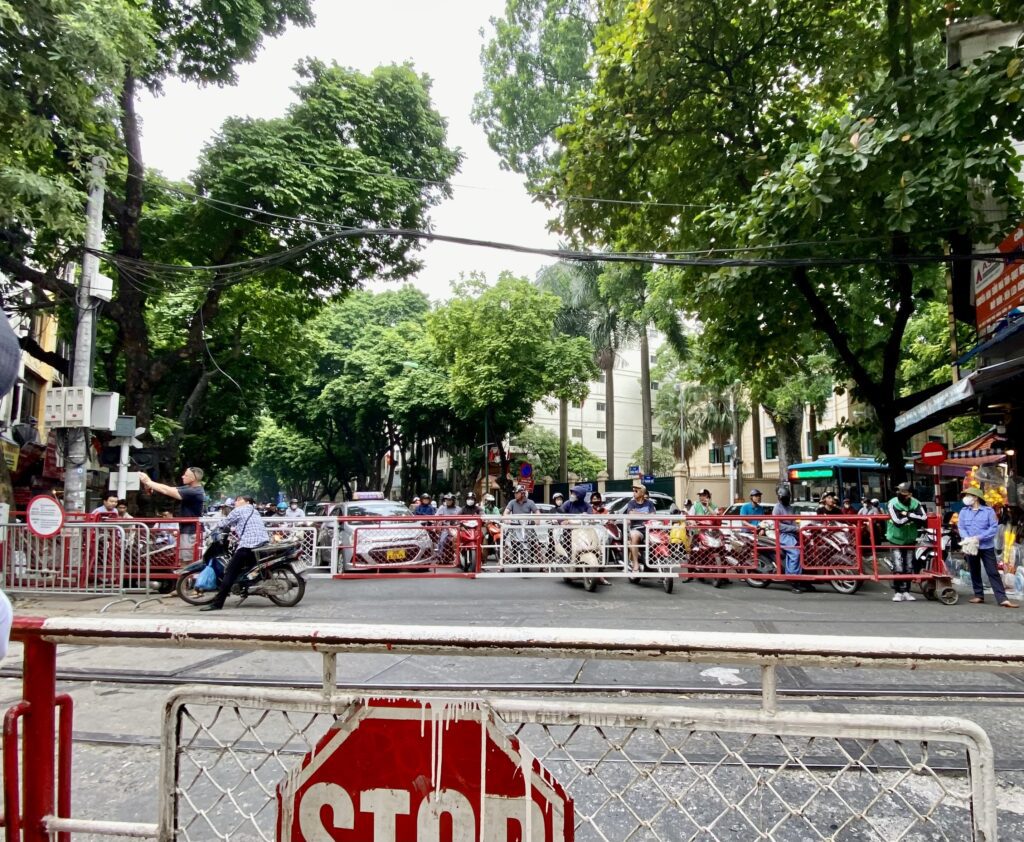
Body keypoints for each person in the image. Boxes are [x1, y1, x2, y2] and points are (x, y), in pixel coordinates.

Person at [199, 494, 270, 611]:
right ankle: (243, 587)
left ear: (247, 502)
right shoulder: (255, 511)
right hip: (262, 543)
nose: (236, 502)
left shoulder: (239, 510)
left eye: (238, 500)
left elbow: (224, 523)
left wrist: (212, 531)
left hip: (248, 545)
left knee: (229, 572)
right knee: (246, 568)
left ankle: (217, 603)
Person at [959, 483, 1018, 609]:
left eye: (969, 495)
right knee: (974, 570)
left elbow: (993, 528)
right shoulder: (964, 512)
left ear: (975, 497)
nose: (966, 498)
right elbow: (961, 527)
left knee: (993, 572)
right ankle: (978, 595)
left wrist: (978, 538)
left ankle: (1002, 599)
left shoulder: (988, 511)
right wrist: (968, 539)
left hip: (986, 546)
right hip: (970, 546)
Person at [138, 466, 205, 555]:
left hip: (191, 531)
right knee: (182, 559)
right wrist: (150, 484)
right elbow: (169, 489)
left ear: (193, 478)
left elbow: (166, 490)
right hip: (186, 529)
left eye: (185, 475)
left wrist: (148, 481)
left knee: (187, 561)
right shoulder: (189, 488)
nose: (182, 476)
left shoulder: (195, 491)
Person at [885, 481, 928, 602]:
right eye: (899, 491)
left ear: (910, 494)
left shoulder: (916, 503)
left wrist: (907, 514)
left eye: (904, 492)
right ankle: (898, 592)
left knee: (909, 566)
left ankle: (907, 591)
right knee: (898, 566)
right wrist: (912, 516)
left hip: (910, 539)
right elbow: (897, 521)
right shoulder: (892, 503)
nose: (900, 493)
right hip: (895, 538)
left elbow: (923, 518)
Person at [774, 484, 814, 593]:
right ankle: (793, 580)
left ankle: (802, 578)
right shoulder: (777, 508)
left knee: (808, 550)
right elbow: (778, 525)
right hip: (783, 535)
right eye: (785, 498)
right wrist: (794, 528)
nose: (787, 500)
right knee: (795, 553)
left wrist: (802, 524)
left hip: (793, 533)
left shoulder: (790, 507)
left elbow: (795, 520)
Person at [624, 484, 657, 574]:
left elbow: (653, 515)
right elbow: (631, 514)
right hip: (637, 529)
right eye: (633, 491)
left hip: (649, 528)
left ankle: (659, 563)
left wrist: (637, 513)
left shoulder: (649, 503)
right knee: (634, 536)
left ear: (642, 493)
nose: (634, 493)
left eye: (636, 491)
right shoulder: (631, 503)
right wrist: (646, 514)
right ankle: (635, 564)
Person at [436, 492, 461, 560]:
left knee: (461, 540)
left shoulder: (458, 509)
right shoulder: (442, 508)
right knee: (442, 541)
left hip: (456, 528)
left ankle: (460, 557)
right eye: (446, 500)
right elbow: (437, 517)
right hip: (446, 528)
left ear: (453, 501)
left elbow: (462, 518)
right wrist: (441, 521)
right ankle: (440, 556)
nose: (448, 501)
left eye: (450, 500)